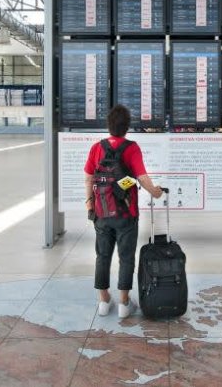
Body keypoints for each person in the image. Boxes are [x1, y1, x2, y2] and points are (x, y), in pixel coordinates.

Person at [84, 105, 163, 319]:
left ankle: (103, 301)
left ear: (108, 125)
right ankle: (124, 304)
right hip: (126, 214)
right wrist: (155, 192)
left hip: (101, 212)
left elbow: (89, 178)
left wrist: (89, 204)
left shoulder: (97, 148)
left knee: (102, 256)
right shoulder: (132, 148)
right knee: (126, 257)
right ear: (127, 127)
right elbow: (142, 178)